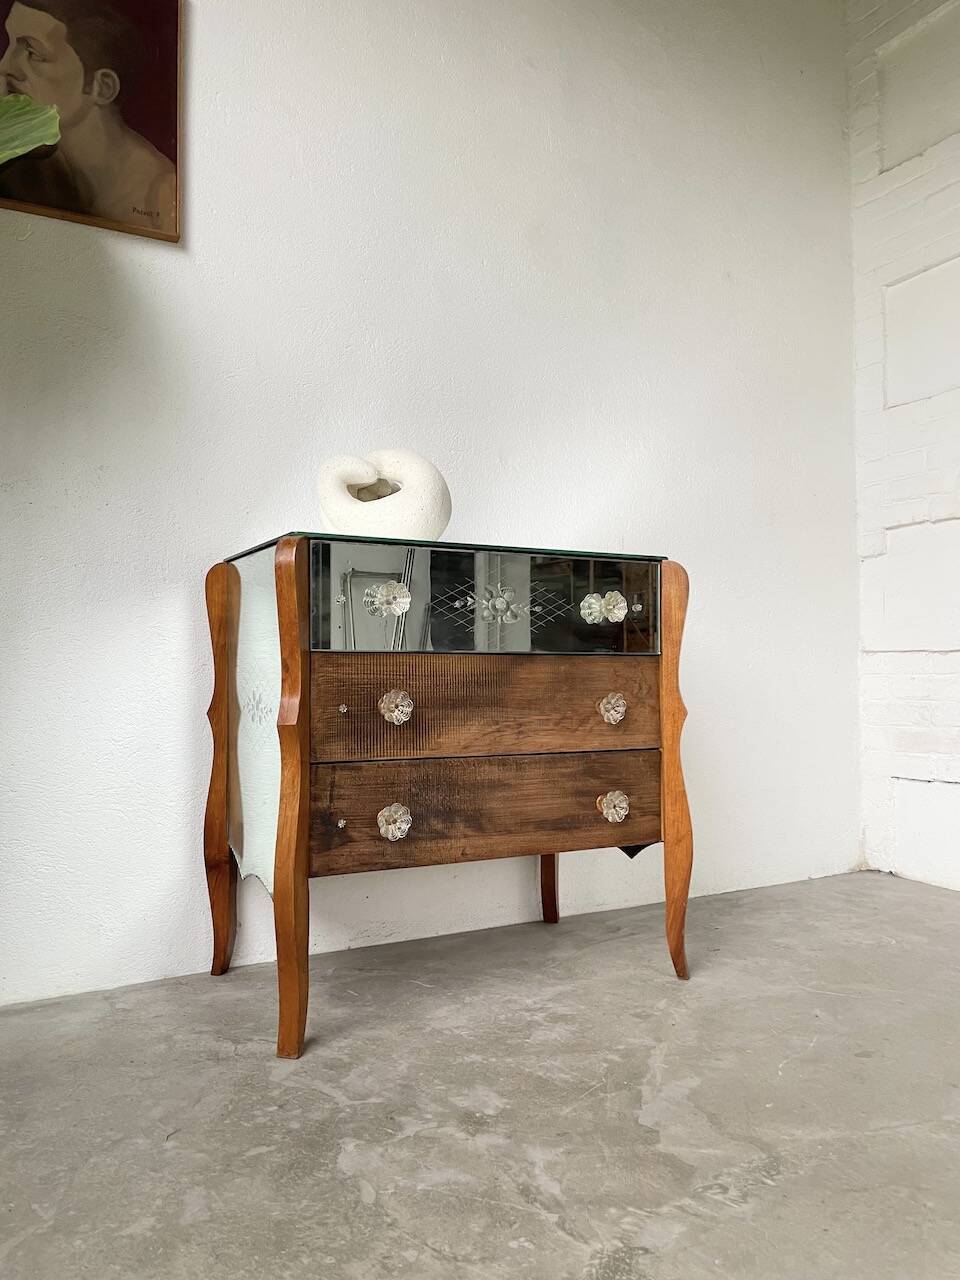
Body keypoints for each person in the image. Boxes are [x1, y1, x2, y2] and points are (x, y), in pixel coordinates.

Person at [0, 0, 175, 234]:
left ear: (101, 87)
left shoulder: (161, 196)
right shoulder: (22, 171)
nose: (5, 66)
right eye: (10, 45)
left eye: (33, 52)